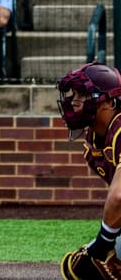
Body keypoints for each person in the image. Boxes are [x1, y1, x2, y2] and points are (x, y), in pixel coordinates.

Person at [57, 62, 121, 280]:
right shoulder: (96, 140)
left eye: (82, 94)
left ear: (108, 102)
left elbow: (119, 195)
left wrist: (102, 244)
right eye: (73, 94)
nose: (73, 102)